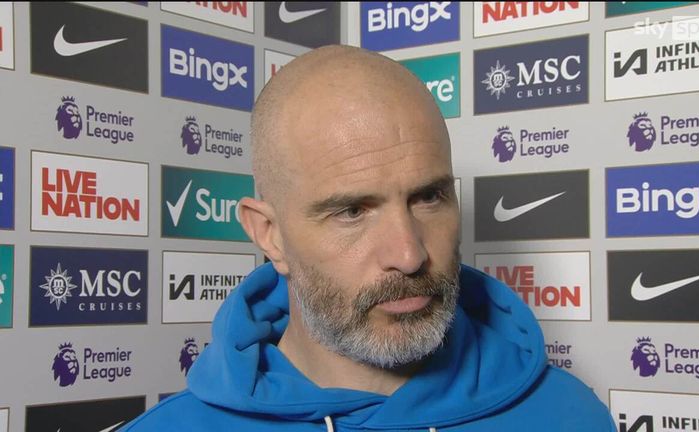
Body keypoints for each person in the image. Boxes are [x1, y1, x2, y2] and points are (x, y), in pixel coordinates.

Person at [122, 45, 616, 432]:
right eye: (352, 211)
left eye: (428, 197)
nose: (409, 254)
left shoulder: (570, 415)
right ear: (270, 236)